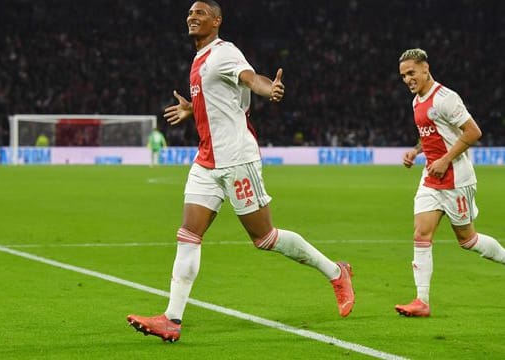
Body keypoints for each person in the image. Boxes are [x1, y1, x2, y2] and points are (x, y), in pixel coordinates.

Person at [127, 0, 355, 342]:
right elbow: (223, 98)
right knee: (188, 235)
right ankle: (171, 319)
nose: (192, 17)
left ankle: (337, 272)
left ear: (217, 21)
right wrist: (193, 110)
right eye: (189, 13)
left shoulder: (224, 52)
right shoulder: (199, 59)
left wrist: (269, 90)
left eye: (200, 13)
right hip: (207, 161)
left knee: (264, 238)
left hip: (236, 159)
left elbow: (251, 78)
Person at [395, 48, 505, 317]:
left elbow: (473, 132)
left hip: (456, 179)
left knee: (468, 240)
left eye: (411, 73)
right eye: (403, 76)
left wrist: (445, 160)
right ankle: (421, 301)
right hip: (431, 178)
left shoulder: (446, 98)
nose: (408, 79)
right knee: (421, 233)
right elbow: (432, 133)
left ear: (425, 68)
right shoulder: (416, 101)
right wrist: (416, 151)